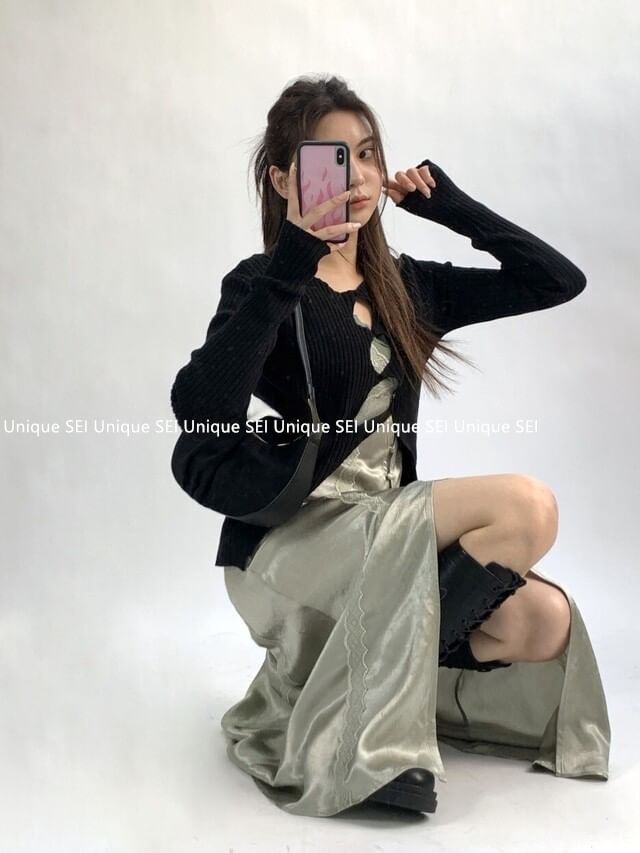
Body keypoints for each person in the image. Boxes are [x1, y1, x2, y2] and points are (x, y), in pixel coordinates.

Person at [170, 74, 610, 819]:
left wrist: (452, 207)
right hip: (296, 540)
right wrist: (293, 259)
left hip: (386, 536)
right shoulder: (263, 284)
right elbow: (200, 408)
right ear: (283, 180)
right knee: (528, 507)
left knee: (543, 623)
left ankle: (371, 690)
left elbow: (557, 282)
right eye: (333, 159)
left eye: (368, 154)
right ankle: (370, 723)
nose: (358, 176)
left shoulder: (407, 287)